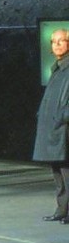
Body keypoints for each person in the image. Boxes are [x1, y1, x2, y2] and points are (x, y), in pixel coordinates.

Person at [33, 29, 69, 224]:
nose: (57, 44)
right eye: (54, 41)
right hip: (53, 127)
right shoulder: (57, 68)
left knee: (66, 169)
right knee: (57, 170)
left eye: (61, 41)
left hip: (63, 128)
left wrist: (62, 117)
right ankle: (62, 209)